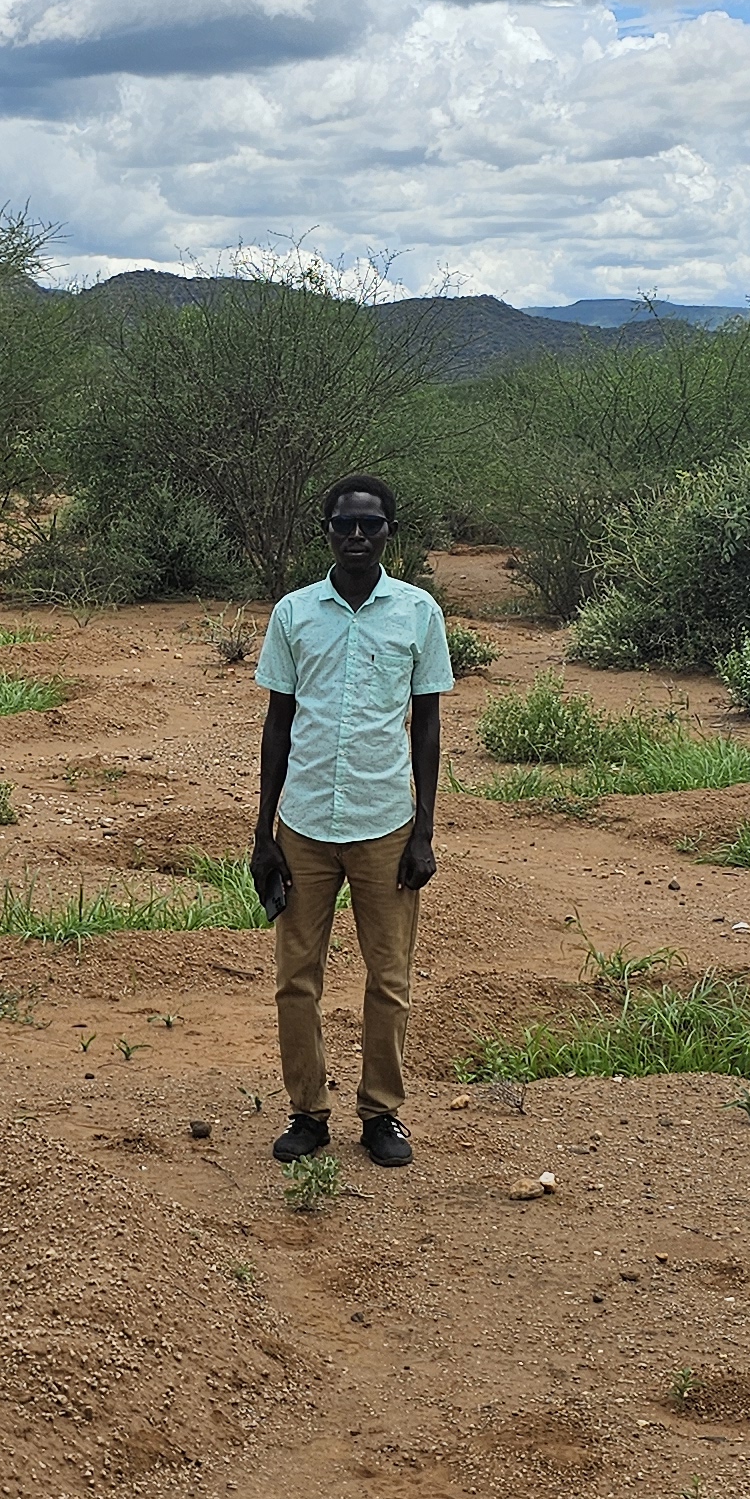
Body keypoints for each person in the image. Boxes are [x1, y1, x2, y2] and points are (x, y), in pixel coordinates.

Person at [249, 474, 452, 1170]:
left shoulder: (418, 613)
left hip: (385, 823)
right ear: (327, 530)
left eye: (371, 525)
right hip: (303, 824)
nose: (358, 536)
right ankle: (306, 1111)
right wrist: (263, 832)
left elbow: (426, 725)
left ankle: (381, 1114)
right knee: (296, 978)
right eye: (345, 524)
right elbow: (278, 724)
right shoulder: (295, 612)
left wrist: (424, 830)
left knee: (389, 978)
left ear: (391, 532)